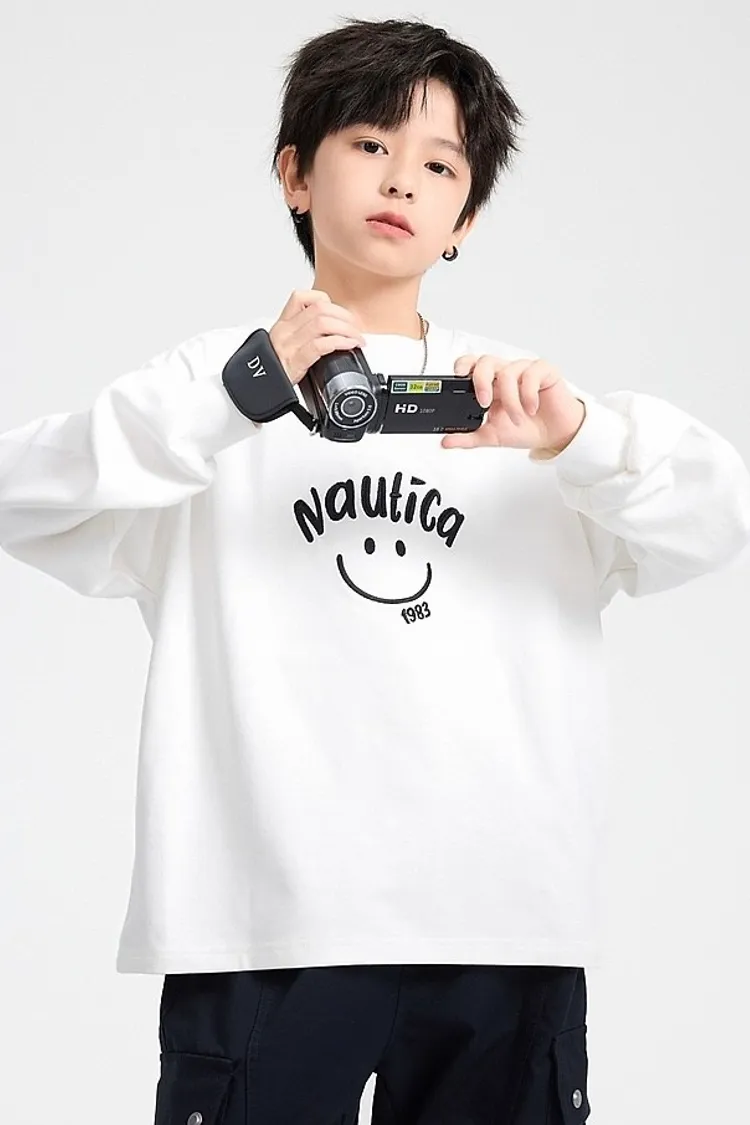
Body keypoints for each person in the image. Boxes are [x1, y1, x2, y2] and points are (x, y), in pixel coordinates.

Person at [1, 16, 749, 1125]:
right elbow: (26, 492)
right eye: (368, 143)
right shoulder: (213, 393)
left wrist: (580, 438)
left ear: (466, 217)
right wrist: (235, 397)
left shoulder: (522, 401)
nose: (402, 179)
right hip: (264, 925)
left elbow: (716, 517)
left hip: (501, 922)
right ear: (295, 174)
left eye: (441, 164)